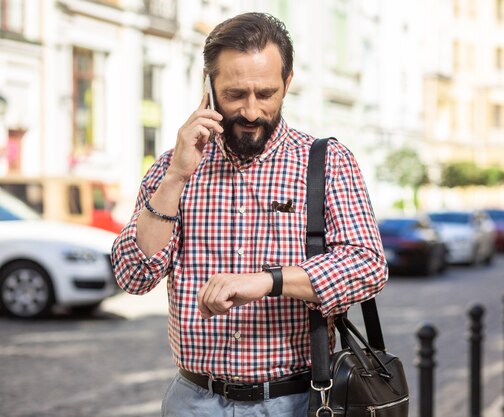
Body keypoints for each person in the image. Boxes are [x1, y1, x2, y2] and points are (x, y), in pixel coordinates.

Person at [111, 12, 387, 417]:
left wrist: (268, 282)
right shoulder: (172, 168)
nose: (253, 111)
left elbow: (367, 267)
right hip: (194, 401)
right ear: (208, 86)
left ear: (287, 83)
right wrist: (176, 177)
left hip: (297, 402)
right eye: (236, 94)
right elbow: (133, 277)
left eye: (266, 93)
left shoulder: (327, 163)